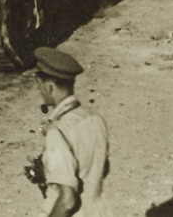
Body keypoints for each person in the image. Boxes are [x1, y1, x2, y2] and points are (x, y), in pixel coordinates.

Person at [29, 47, 112, 217]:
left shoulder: (58, 132)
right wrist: (48, 171)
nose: (40, 92)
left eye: (40, 87)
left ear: (50, 87)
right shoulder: (94, 118)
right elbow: (100, 167)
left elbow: (67, 201)